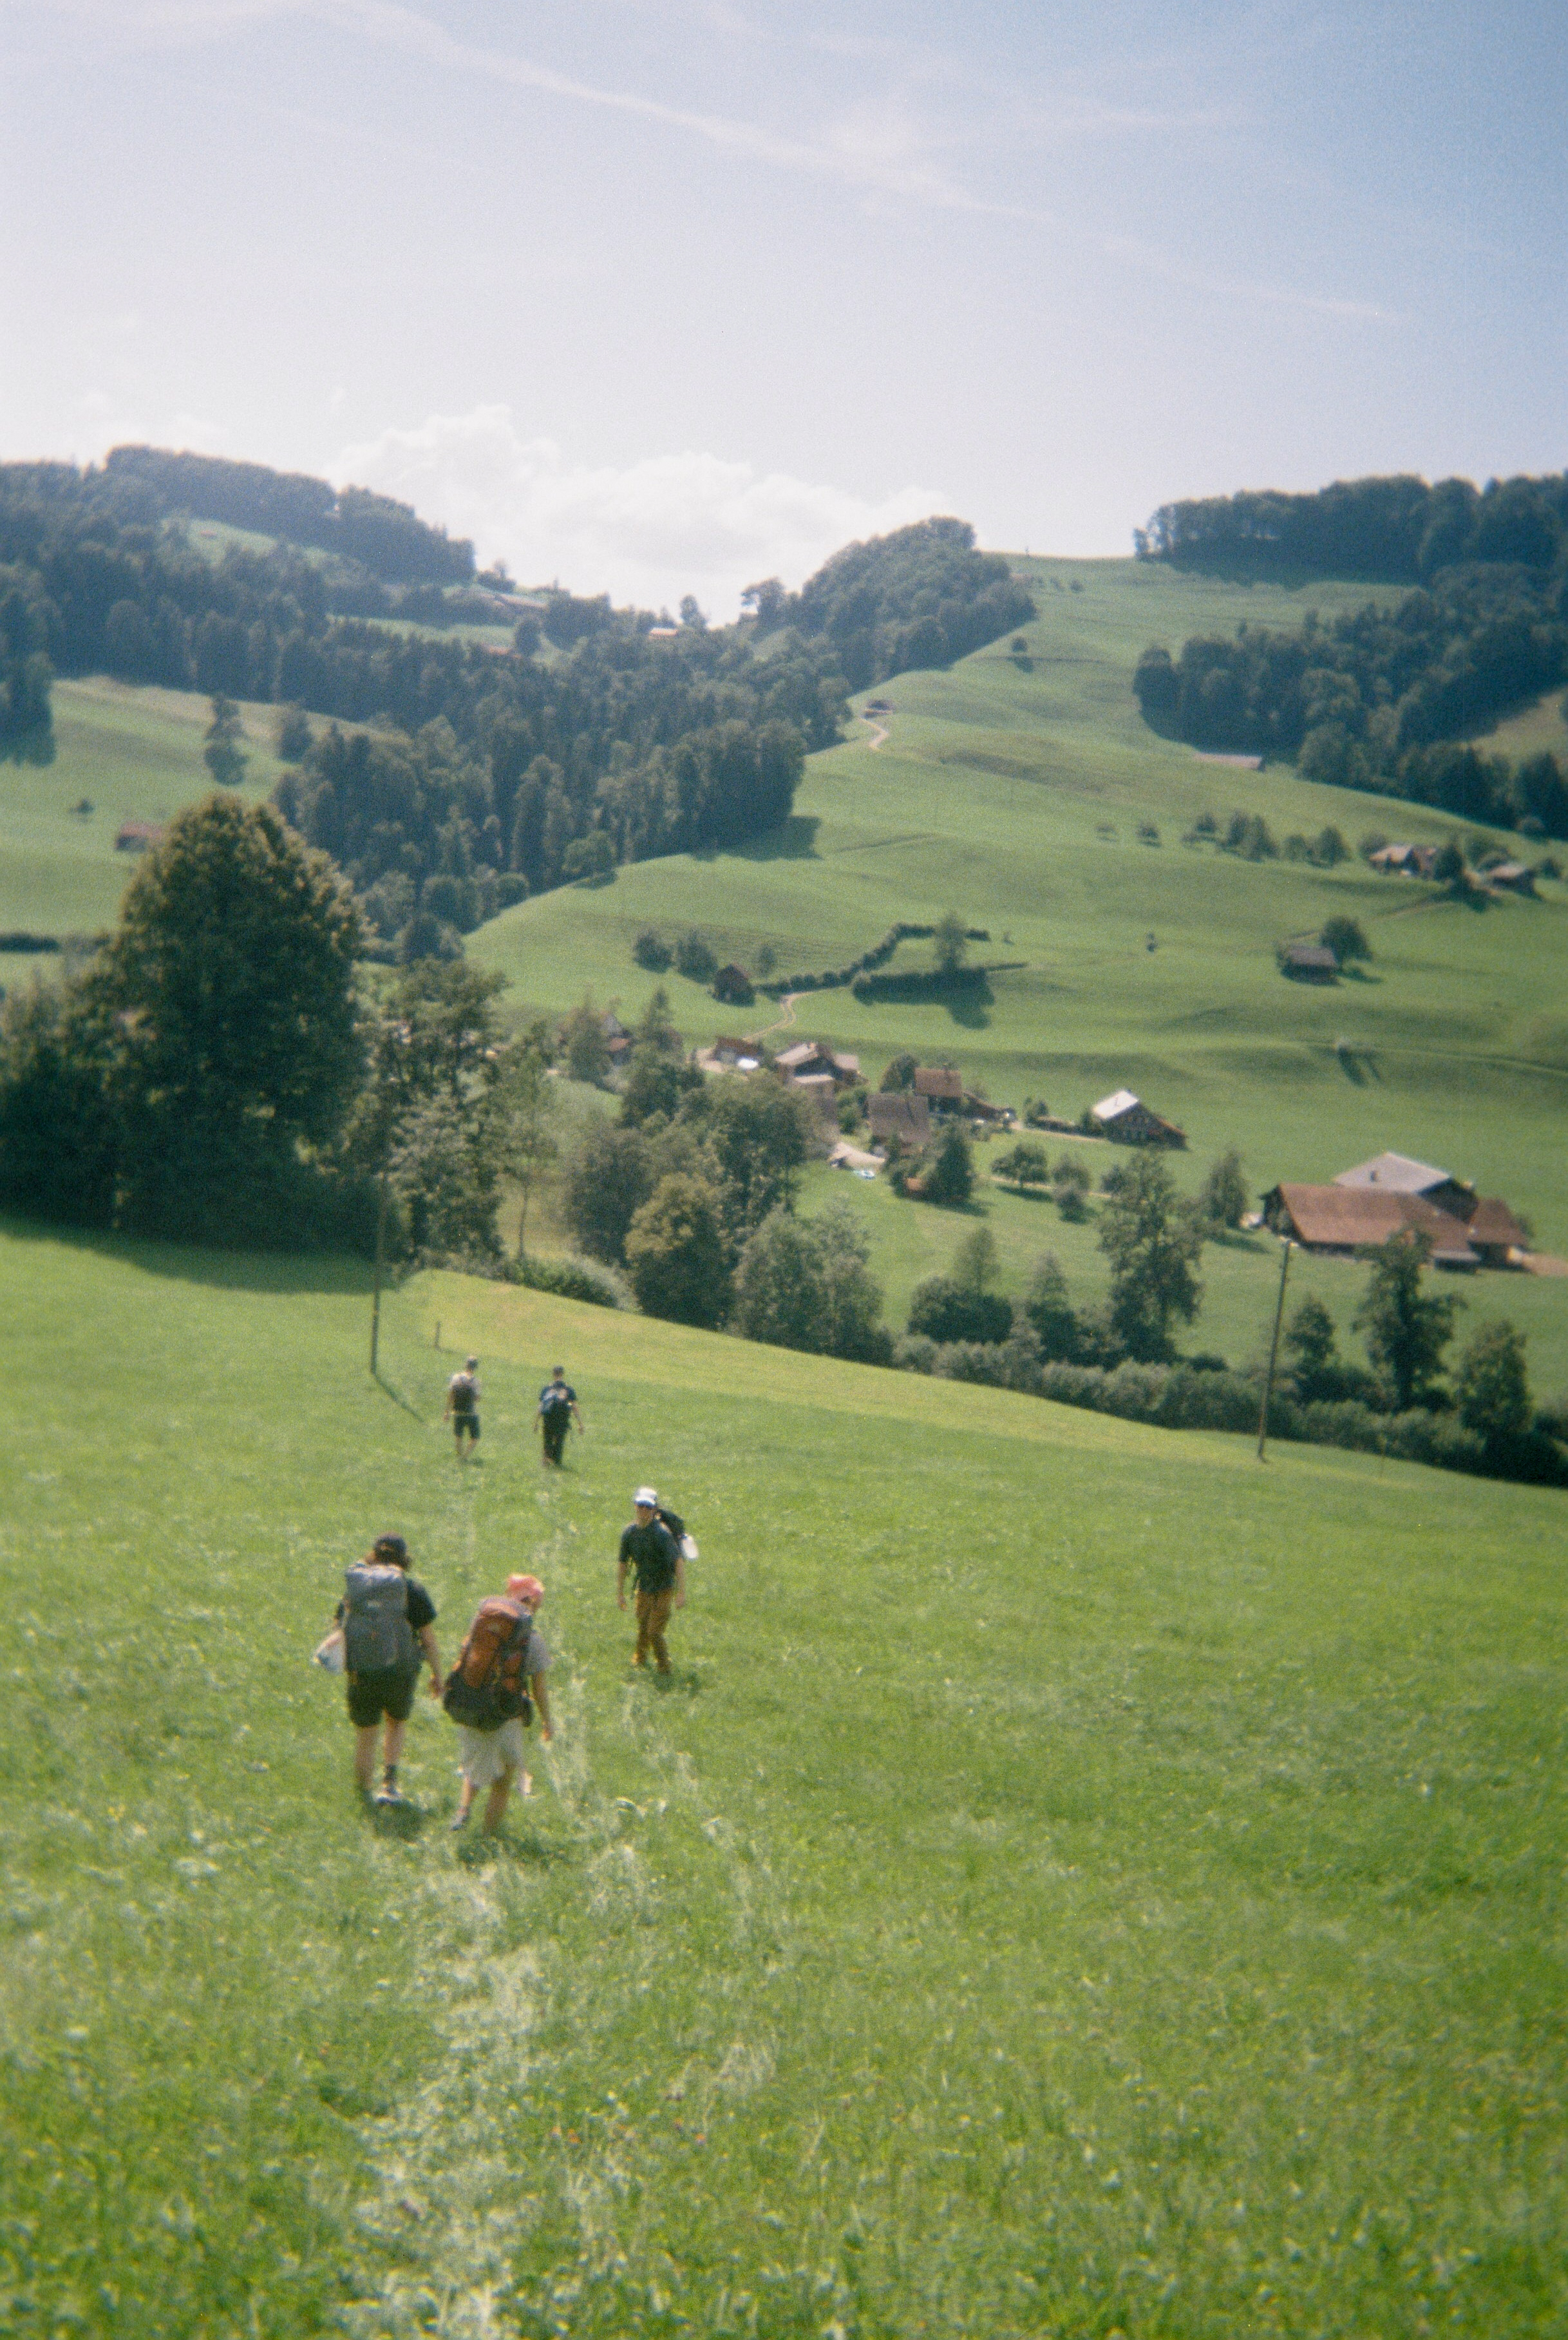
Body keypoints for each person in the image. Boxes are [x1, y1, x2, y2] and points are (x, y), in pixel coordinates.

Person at [339, 1532, 442, 1804]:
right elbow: (429, 1640)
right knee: (395, 1723)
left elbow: (340, 1625)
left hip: (362, 1670)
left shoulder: (358, 1589)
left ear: (373, 1555)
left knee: (366, 1734)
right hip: (400, 1671)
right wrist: (437, 1675)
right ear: (404, 1560)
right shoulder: (411, 1590)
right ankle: (390, 1783)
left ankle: (363, 1793)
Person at [449, 1574, 554, 1833]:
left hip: (472, 1701)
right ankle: (488, 1834)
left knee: (476, 1764)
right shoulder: (533, 1640)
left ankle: (463, 1811)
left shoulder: (483, 1623)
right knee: (503, 1779)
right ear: (532, 1604)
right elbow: (539, 1689)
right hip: (505, 1713)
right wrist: (547, 1721)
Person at [616, 1486, 686, 1675]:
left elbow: (678, 1561)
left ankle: (664, 1666)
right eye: (640, 1505)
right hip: (645, 1586)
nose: (643, 1510)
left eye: (648, 1506)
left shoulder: (662, 1534)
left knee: (654, 1631)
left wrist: (681, 1592)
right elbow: (623, 1563)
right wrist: (620, 1593)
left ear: (655, 1510)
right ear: (635, 1506)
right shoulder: (629, 1533)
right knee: (643, 1623)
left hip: (664, 1587)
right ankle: (640, 1658)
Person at [536, 1364, 583, 1467]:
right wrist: (580, 1423)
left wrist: (536, 1422)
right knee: (559, 1441)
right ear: (562, 1374)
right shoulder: (568, 1390)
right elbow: (574, 1407)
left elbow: (541, 1406)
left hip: (548, 1420)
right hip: (562, 1420)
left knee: (547, 1440)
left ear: (553, 1374)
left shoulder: (547, 1389)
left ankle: (546, 1461)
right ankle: (557, 1463)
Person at [444, 1356, 481, 1461]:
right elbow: (477, 1399)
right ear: (475, 1368)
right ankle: (464, 1457)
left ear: (466, 1365)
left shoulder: (456, 1378)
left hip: (457, 1412)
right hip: (470, 1413)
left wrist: (447, 1412)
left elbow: (451, 1395)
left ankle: (459, 1457)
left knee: (458, 1436)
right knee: (475, 1437)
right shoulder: (476, 1381)